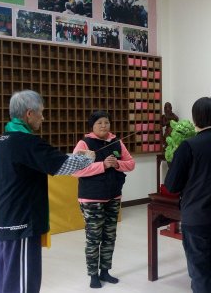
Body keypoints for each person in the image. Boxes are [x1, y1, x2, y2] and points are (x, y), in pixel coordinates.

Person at [0, 90, 95, 293]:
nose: (43, 117)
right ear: (29, 114)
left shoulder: (6, 138)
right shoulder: (25, 141)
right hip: (18, 223)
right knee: (21, 283)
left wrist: (73, 155)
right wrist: (87, 158)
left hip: (3, 219)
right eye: (41, 112)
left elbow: (44, 159)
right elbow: (60, 166)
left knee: (7, 276)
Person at [164, 97, 211, 293]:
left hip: (197, 217)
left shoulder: (188, 146)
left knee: (200, 272)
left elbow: (171, 185)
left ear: (196, 119)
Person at [72, 111, 135, 289]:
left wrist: (117, 164)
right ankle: (93, 274)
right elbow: (76, 171)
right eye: (99, 123)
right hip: (91, 199)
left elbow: (130, 164)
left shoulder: (117, 142)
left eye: (106, 122)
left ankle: (105, 271)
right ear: (92, 126)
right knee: (93, 238)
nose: (103, 126)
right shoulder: (84, 143)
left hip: (113, 197)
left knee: (110, 237)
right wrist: (103, 165)